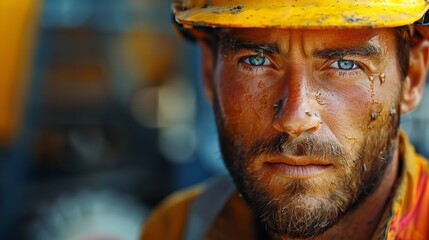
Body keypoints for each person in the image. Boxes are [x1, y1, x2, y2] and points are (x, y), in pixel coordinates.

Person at [141, 0, 429, 239]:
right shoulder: (177, 229)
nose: (294, 119)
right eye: (255, 61)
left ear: (412, 78)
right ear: (208, 70)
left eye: (345, 65)